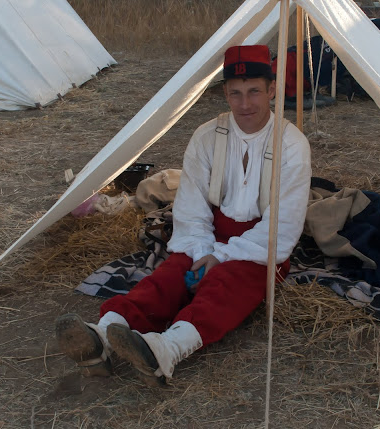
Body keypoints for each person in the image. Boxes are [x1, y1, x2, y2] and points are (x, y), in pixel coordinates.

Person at [55, 45, 312, 385]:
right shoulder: (207, 137)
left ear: (271, 90)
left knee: (227, 284)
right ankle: (103, 335)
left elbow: (282, 226)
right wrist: (204, 251)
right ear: (225, 94)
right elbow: (191, 206)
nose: (245, 104)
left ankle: (167, 349)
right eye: (236, 94)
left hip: (260, 246)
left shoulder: (291, 145)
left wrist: (221, 257)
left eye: (254, 91)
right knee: (171, 274)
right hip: (206, 233)